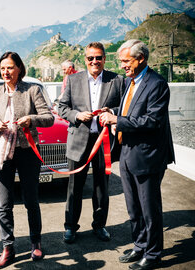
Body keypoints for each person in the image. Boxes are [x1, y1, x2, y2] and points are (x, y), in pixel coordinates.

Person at [100, 39, 175, 270]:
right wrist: (113, 111)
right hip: (127, 154)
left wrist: (117, 120)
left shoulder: (157, 84)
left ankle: (152, 255)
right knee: (134, 209)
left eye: (126, 61)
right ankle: (140, 245)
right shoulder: (130, 82)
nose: (122, 65)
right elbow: (130, 110)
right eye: (121, 61)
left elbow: (152, 121)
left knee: (149, 209)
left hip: (148, 157)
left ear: (141, 58)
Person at [0, 51, 54, 268]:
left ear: (19, 69)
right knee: (4, 204)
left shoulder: (32, 90)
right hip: (2, 153)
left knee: (31, 200)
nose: (6, 71)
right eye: (3, 68)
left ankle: (35, 242)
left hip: (27, 152)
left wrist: (30, 120)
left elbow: (49, 118)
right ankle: (8, 248)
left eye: (10, 67)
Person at [58, 42, 125, 244]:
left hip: (103, 142)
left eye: (98, 57)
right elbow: (62, 107)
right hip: (78, 140)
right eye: (90, 58)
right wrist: (77, 115)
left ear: (105, 58)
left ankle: (100, 226)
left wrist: (111, 113)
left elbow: (123, 105)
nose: (94, 61)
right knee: (74, 188)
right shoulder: (72, 79)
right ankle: (70, 227)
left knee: (101, 187)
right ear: (85, 60)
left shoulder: (117, 80)